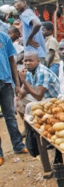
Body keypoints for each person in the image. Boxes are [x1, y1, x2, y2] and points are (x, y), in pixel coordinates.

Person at [0, 31, 27, 166]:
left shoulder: (4, 37)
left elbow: (12, 61)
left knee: (10, 116)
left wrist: (17, 84)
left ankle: (18, 146)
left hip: (5, 83)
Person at [17, 51, 60, 119]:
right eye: (26, 61)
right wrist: (18, 95)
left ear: (38, 61)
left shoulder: (42, 72)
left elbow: (39, 96)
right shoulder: (29, 70)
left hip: (53, 99)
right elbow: (24, 89)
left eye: (30, 60)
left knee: (29, 106)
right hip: (42, 97)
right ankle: (26, 125)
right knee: (18, 101)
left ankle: (31, 127)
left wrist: (23, 80)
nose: (27, 63)